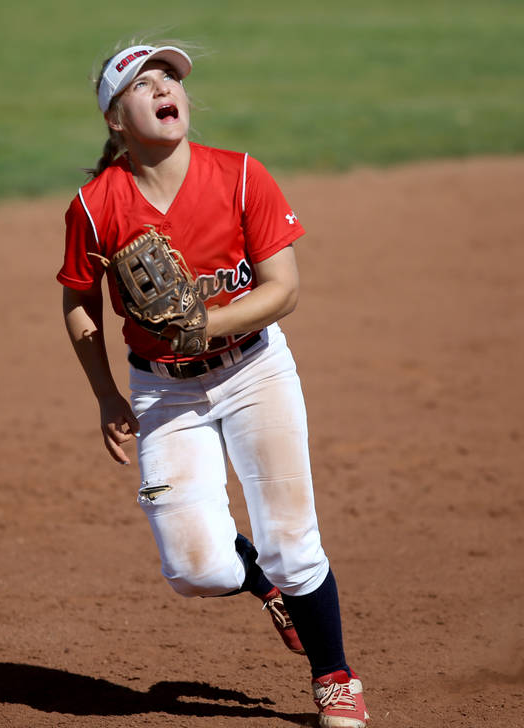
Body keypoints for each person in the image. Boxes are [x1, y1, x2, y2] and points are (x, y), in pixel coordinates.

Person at [57, 41, 370, 728]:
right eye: (144, 82)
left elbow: (284, 289)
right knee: (201, 571)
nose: (165, 85)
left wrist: (210, 323)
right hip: (163, 391)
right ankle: (261, 585)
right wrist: (106, 394)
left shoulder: (240, 177)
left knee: (295, 542)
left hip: (256, 369)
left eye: (171, 76)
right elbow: (78, 298)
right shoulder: (95, 205)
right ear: (116, 118)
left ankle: (335, 678)